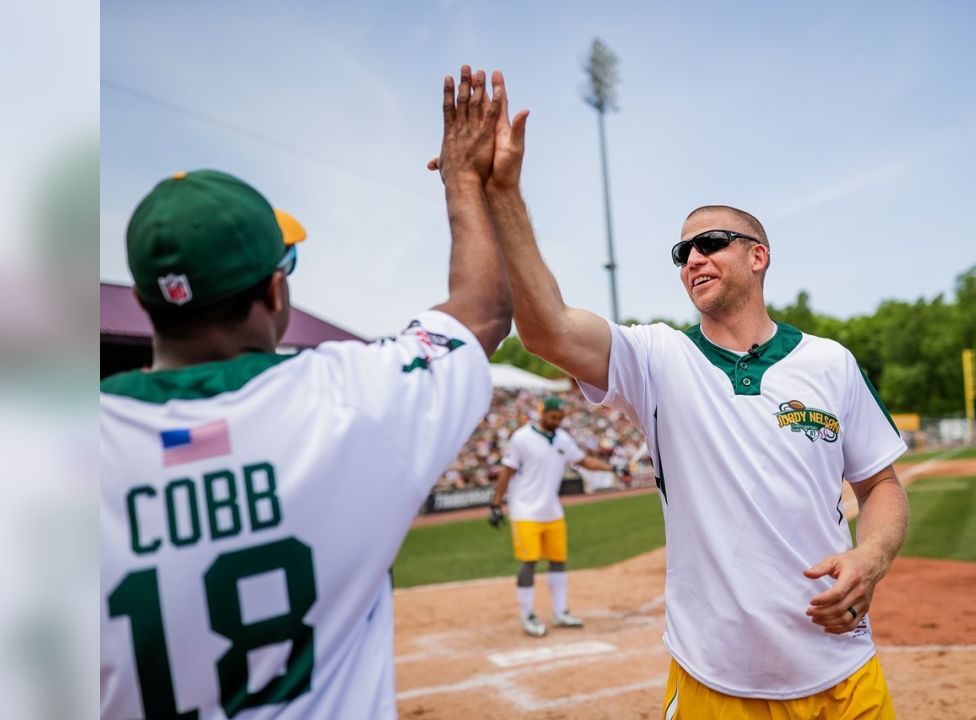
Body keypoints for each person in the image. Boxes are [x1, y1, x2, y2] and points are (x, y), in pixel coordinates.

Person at [455, 71, 910, 718]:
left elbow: (881, 485)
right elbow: (547, 328)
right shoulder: (659, 357)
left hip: (844, 674)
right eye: (682, 250)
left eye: (710, 243)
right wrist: (504, 195)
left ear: (759, 257)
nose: (692, 257)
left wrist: (872, 556)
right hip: (716, 684)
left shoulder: (830, 363)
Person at [100, 66, 511, 718]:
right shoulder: (347, 396)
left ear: (148, 304)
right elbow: (483, 313)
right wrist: (465, 180)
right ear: (273, 291)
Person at [488, 396, 625, 636]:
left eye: (560, 418)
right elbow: (506, 472)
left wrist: (612, 467)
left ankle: (560, 611)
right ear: (542, 413)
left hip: (552, 510)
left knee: (558, 561)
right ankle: (527, 613)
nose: (556, 421)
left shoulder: (563, 439)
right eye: (553, 417)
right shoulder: (521, 437)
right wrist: (496, 505)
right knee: (529, 562)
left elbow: (584, 461)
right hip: (525, 510)